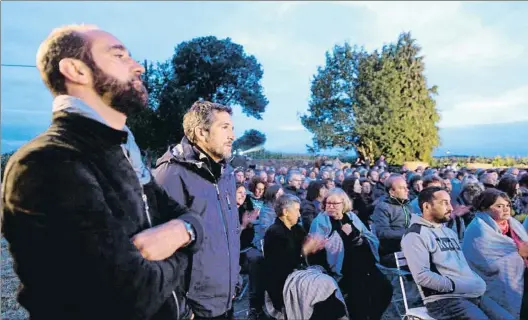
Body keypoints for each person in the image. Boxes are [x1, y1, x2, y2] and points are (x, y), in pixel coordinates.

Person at [1, 24, 204, 320]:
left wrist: (182, 231)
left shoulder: (122, 151)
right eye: (119, 56)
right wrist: (186, 245)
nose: (138, 68)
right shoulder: (48, 162)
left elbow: (190, 218)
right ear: (76, 70)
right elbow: (129, 297)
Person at [153, 100, 239, 319]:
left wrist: (234, 283)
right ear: (201, 132)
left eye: (232, 128)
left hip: (225, 303)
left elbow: (229, 235)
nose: (232, 135)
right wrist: (182, 310)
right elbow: (158, 254)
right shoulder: (171, 174)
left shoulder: (226, 174)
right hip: (194, 311)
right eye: (224, 127)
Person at [401, 187, 488, 320]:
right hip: (444, 301)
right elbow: (422, 276)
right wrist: (455, 286)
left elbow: (461, 266)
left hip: (471, 293)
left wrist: (474, 281)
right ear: (427, 206)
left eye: (449, 202)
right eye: (444, 203)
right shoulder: (415, 235)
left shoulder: (449, 232)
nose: (451, 208)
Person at [309, 188, 393, 320]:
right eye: (327, 203)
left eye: (335, 204)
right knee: (360, 295)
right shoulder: (320, 222)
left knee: (386, 289)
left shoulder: (351, 217)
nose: (330, 206)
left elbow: (369, 238)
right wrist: (340, 236)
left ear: (344, 204)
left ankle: (373, 317)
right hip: (340, 269)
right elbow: (317, 252)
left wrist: (356, 236)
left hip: (365, 264)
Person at [263, 194, 347, 320]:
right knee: (325, 284)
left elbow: (306, 250)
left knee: (327, 287)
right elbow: (281, 264)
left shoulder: (297, 228)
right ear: (286, 212)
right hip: (284, 281)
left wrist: (317, 246)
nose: (299, 214)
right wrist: (304, 250)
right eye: (296, 210)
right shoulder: (274, 232)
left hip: (300, 274)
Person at [463, 189, 528, 320]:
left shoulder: (512, 223)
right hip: (494, 282)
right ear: (484, 208)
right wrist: (518, 254)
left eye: (507, 205)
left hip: (522, 275)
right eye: (499, 206)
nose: (505, 209)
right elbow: (486, 264)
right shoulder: (479, 229)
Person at [371, 174, 413, 267]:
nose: (407, 190)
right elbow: (383, 233)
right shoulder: (383, 207)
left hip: (410, 247)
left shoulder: (407, 205)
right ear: (392, 192)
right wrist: (407, 233)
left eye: (406, 187)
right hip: (393, 251)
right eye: (402, 188)